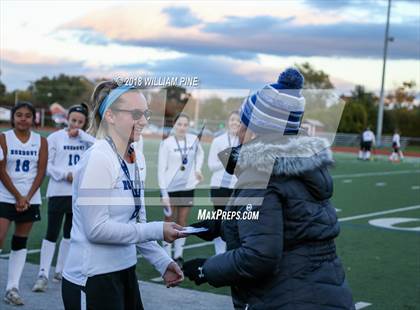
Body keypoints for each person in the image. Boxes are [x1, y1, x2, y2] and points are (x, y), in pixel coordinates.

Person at [183, 68, 355, 309]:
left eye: (242, 122)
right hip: (320, 293)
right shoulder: (294, 165)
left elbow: (259, 256)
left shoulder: (263, 173)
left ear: (255, 128)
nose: (237, 130)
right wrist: (221, 224)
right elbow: (287, 222)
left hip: (288, 298)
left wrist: (206, 268)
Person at [61, 81, 185, 310]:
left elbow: (137, 223)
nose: (145, 121)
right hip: (92, 278)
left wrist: (161, 260)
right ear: (110, 116)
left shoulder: (134, 156)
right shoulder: (99, 157)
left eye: (146, 113)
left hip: (125, 273)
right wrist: (158, 229)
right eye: (136, 114)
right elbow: (96, 229)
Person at [32, 103, 96, 292]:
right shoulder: (55, 138)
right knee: (52, 233)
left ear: (85, 124)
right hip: (58, 192)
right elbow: (46, 166)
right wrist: (65, 174)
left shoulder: (87, 140)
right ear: (67, 119)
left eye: (80, 122)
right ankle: (42, 274)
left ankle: (60, 270)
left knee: (70, 234)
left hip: (77, 195)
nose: (75, 124)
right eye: (73, 120)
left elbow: (99, 146)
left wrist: (82, 135)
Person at [0, 101, 48, 306]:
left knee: (20, 242)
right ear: (13, 118)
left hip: (30, 198)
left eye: (27, 115)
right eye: (19, 114)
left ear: (33, 118)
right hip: (5, 196)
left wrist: (27, 197)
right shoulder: (3, 138)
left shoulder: (41, 141)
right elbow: (1, 170)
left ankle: (12, 288)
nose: (23, 118)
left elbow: (41, 172)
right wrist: (18, 196)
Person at [158, 112, 204, 267]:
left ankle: (178, 255)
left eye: (185, 125)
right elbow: (160, 170)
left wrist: (197, 169)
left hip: (187, 187)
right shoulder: (167, 143)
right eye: (179, 124)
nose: (182, 127)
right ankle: (165, 257)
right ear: (174, 125)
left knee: (182, 222)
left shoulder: (193, 140)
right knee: (168, 222)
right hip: (170, 189)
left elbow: (200, 155)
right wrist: (163, 193)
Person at [207, 111, 240, 254]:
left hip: (236, 188)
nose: (235, 123)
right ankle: (219, 254)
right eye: (232, 120)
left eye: (238, 121)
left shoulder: (244, 142)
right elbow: (211, 166)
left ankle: (233, 254)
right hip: (219, 187)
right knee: (220, 222)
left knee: (235, 223)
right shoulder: (218, 141)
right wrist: (226, 159)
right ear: (228, 122)